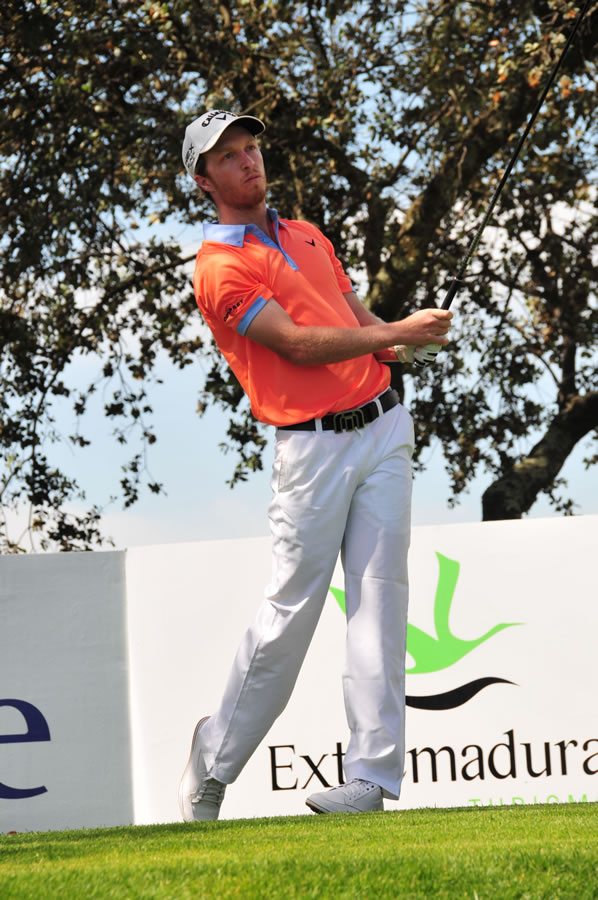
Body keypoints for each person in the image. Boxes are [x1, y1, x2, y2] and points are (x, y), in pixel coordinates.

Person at [179, 109, 452, 820]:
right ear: (203, 180)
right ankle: (214, 761)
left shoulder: (306, 234)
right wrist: (395, 331)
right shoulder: (220, 269)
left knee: (381, 602)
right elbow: (297, 345)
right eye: (228, 157)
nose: (248, 161)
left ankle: (370, 780)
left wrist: (402, 341)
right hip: (311, 450)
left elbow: (361, 325)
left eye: (250, 148)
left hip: (383, 427)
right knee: (291, 611)